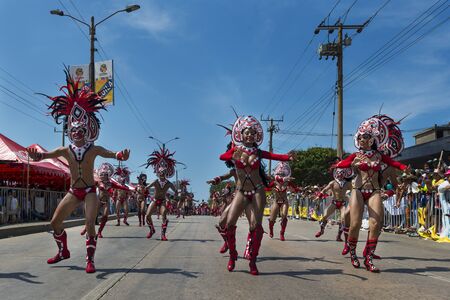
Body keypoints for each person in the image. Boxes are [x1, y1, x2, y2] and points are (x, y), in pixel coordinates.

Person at [28, 70, 130, 273]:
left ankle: (89, 260)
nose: (76, 134)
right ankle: (63, 251)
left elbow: (112, 153)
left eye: (80, 131)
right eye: (73, 131)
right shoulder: (65, 150)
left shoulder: (94, 149)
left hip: (91, 191)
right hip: (74, 192)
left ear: (87, 131)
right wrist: (36, 156)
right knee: (55, 222)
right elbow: (45, 155)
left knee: (89, 223)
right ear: (69, 131)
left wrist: (121, 155)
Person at [219, 115, 293, 275]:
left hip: (258, 190)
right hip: (241, 191)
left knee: (256, 227)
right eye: (247, 133)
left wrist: (288, 157)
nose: (250, 135)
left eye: (253, 133)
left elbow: (274, 156)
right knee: (229, 224)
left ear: (256, 136)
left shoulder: (259, 152)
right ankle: (233, 256)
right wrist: (232, 155)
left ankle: (253, 261)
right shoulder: (236, 150)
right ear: (241, 134)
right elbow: (222, 157)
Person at [333, 115, 407, 273]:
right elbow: (343, 164)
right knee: (355, 224)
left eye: (365, 137)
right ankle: (353, 253)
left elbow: (394, 163)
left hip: (374, 191)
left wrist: (404, 168)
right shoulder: (356, 155)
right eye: (359, 137)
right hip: (358, 190)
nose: (361, 140)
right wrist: (339, 165)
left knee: (375, 224)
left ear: (373, 140)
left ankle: (369, 258)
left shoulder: (380, 156)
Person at [144, 146, 178, 240]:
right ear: (158, 173)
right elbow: (147, 187)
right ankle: (152, 230)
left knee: (164, 215)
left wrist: (174, 196)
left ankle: (163, 235)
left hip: (163, 201)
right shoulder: (155, 181)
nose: (161, 174)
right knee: (147, 215)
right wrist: (143, 189)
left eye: (163, 172)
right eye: (160, 173)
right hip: (155, 200)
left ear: (166, 173)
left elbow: (175, 191)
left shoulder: (169, 183)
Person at [314, 167, 353, 242]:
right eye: (339, 173)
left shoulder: (348, 183)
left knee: (343, 219)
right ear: (336, 174)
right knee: (325, 216)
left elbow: (354, 190)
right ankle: (321, 231)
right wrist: (318, 196)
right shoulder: (333, 182)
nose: (340, 175)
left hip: (343, 203)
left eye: (342, 173)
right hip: (334, 202)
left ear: (344, 174)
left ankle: (338, 236)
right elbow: (324, 190)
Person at [267, 162, 296, 241]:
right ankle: (271, 230)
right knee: (272, 219)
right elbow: (266, 189)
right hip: (276, 201)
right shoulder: (273, 183)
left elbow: (296, 189)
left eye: (283, 174)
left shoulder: (288, 182)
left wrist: (295, 189)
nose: (281, 175)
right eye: (280, 173)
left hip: (284, 201)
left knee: (284, 217)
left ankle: (282, 233)